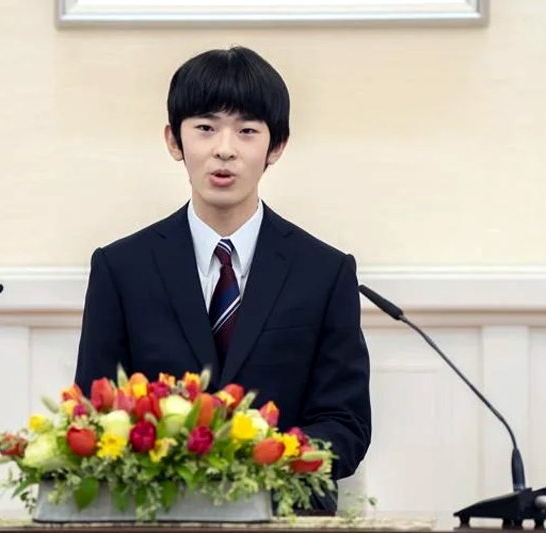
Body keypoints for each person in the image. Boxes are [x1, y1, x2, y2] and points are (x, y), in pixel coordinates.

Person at [74, 45, 370, 511]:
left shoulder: (325, 271)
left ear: (276, 146)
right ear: (174, 141)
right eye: (206, 128)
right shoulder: (121, 268)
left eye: (247, 131)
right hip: (159, 515)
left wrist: (255, 460)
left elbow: (345, 424)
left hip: (286, 517)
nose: (225, 149)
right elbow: (96, 414)